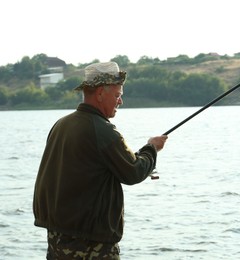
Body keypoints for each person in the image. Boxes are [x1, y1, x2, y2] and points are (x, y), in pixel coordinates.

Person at [33, 61, 168, 259]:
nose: (120, 101)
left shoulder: (61, 125)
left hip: (57, 238)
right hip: (91, 243)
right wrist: (152, 148)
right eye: (117, 95)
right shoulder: (102, 130)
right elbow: (134, 172)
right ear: (100, 93)